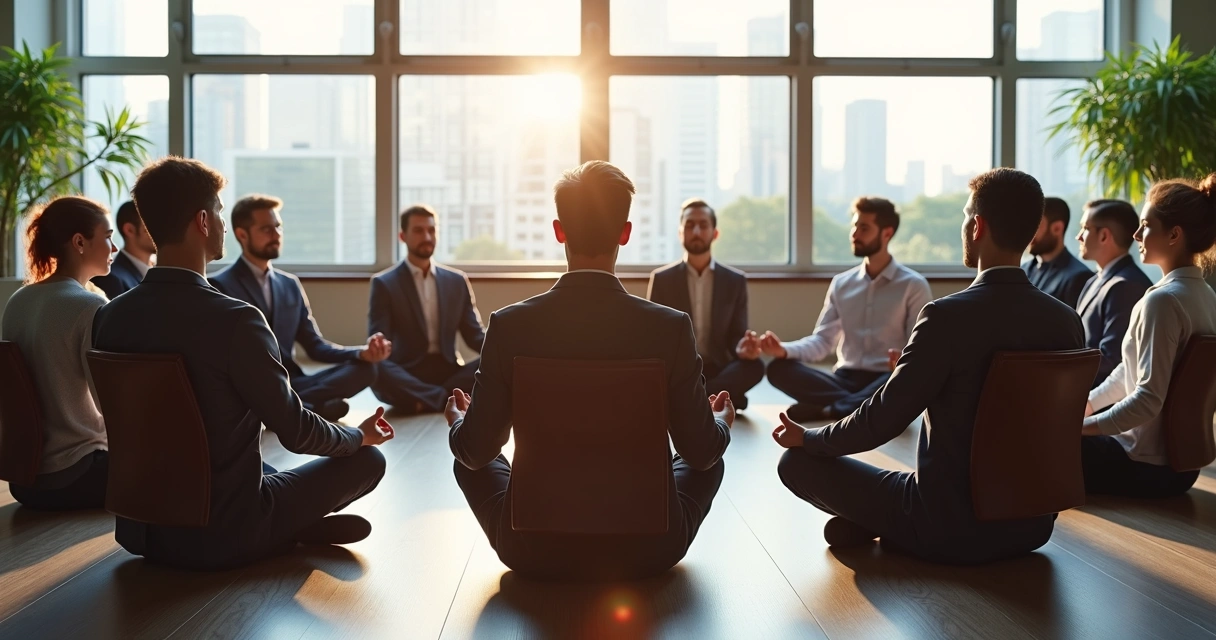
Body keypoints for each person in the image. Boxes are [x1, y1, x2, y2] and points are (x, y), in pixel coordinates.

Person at [92, 157, 393, 570]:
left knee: (258, 464)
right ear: (202, 221)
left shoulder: (110, 316)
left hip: (142, 531)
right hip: (223, 530)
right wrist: (356, 437)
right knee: (367, 460)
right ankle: (290, 528)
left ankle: (295, 528)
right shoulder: (235, 318)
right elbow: (297, 432)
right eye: (217, 211)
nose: (219, 221)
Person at [773, 168, 1084, 565]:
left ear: (977, 227)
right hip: (1032, 527)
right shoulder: (1065, 321)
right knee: (892, 493)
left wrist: (810, 440)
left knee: (795, 463)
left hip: (947, 525)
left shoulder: (945, 317)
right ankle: (875, 523)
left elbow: (881, 419)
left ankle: (882, 524)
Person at [447, 161, 733, 580]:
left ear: (559, 230)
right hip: (649, 548)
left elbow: (476, 450)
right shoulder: (670, 327)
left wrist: (459, 422)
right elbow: (701, 451)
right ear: (625, 233)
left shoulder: (509, 325)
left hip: (532, 549)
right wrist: (720, 422)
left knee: (464, 458)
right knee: (711, 459)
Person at [1082, 173, 1216, 498]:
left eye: (1145, 225)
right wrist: (1087, 404)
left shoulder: (1163, 300)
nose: (1136, 234)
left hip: (1141, 465)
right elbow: (1130, 371)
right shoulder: (1207, 296)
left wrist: (1080, 429)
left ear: (1174, 234)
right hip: (1180, 468)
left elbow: (1147, 400)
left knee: (1028, 436)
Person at [210, 194, 390, 422]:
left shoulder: (290, 284)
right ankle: (301, 409)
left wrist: (361, 353)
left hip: (292, 383)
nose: (276, 235)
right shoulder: (221, 285)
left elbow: (315, 346)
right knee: (261, 394)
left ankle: (297, 409)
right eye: (267, 229)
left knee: (367, 370)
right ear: (241, 234)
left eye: (278, 227)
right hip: (253, 388)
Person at [761, 197, 932, 421]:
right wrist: (783, 350)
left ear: (887, 233)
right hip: (843, 378)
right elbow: (822, 342)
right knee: (777, 370)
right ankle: (862, 407)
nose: (854, 234)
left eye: (864, 228)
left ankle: (831, 409)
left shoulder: (913, 285)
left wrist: (901, 363)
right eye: (854, 226)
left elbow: (918, 351)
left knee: (906, 380)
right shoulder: (842, 283)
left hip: (886, 376)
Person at [2, 196, 115, 510]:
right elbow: (112, 406)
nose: (114, 248)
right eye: (107, 237)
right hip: (76, 476)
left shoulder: (19, 300)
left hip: (26, 481)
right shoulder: (88, 306)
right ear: (79, 242)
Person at [647, 199, 763, 410]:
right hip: (680, 369)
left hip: (718, 367)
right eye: (690, 225)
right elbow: (655, 336)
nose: (697, 231)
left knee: (755, 366)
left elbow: (736, 334)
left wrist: (742, 348)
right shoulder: (662, 279)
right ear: (680, 233)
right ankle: (718, 397)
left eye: (703, 225)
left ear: (715, 233)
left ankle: (694, 399)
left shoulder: (735, 280)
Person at [369, 205, 485, 413]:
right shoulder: (384, 283)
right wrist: (376, 347)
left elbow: (474, 335)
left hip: (449, 370)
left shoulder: (457, 281)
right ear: (402, 236)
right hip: (407, 371)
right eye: (419, 230)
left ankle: (423, 401)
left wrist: (502, 350)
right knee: (375, 367)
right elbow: (381, 338)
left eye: (432, 230)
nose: (427, 236)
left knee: (495, 362)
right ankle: (446, 399)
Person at [1074, 200, 1153, 387]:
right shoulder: (1095, 279)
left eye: (1085, 228)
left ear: (1104, 236)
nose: (1078, 236)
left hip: (1099, 406)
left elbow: (1112, 359)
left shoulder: (1126, 286)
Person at [1023, 196, 1093, 308]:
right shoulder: (1023, 270)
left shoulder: (1079, 277)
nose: (1028, 233)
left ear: (1057, 228)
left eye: (1035, 225)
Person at [91, 200, 154, 299]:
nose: (159, 233)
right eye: (150, 228)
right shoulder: (112, 279)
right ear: (129, 230)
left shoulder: (156, 271)